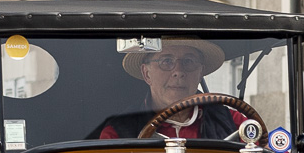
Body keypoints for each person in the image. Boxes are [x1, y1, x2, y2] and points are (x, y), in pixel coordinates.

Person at [95, 38, 253, 140]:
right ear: (146, 73)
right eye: (166, 61)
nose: (178, 71)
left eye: (189, 61)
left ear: (200, 73)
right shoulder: (118, 133)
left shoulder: (234, 123)